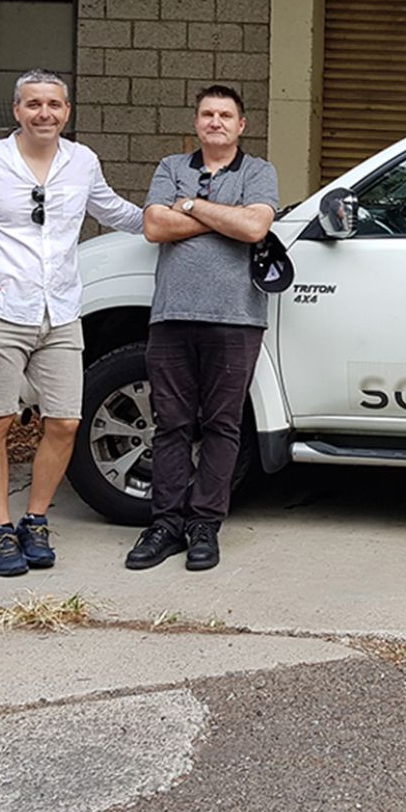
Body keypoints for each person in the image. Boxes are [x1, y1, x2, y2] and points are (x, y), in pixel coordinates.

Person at [0, 69, 144, 577]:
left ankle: (34, 520)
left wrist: (178, 221)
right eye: (34, 104)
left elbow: (115, 211)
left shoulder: (81, 162)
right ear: (16, 110)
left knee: (64, 421)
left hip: (60, 312)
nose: (45, 113)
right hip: (1, 311)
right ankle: (0, 529)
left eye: (54, 105)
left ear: (67, 111)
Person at [124, 85, 278, 572]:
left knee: (221, 424)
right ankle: (166, 523)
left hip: (236, 318)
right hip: (172, 315)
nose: (216, 122)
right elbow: (153, 227)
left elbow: (256, 229)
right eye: (208, 114)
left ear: (241, 125)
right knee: (171, 423)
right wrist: (225, 219)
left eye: (225, 115)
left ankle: (205, 525)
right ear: (196, 122)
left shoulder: (258, 171)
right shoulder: (171, 167)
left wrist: (189, 207)